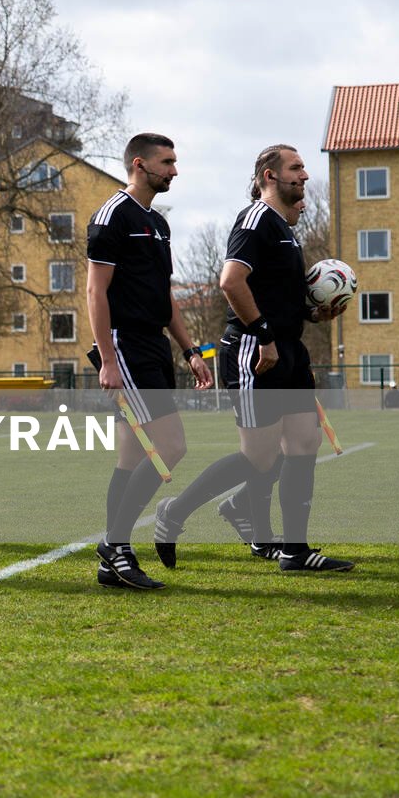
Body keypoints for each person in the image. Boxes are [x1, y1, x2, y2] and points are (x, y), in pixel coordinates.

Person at [151, 145, 352, 573]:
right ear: (269, 176)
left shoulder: (286, 229)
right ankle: (175, 511)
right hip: (254, 350)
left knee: (303, 444)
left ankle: (295, 551)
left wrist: (315, 312)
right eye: (296, 168)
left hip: (287, 349)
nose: (305, 176)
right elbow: (231, 282)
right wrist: (264, 336)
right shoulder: (255, 219)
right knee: (259, 458)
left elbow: (278, 298)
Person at [83, 133, 213, 590]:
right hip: (126, 347)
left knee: (131, 456)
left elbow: (166, 296)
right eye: (168, 162)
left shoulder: (159, 222)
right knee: (171, 445)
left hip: (155, 345)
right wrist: (107, 359)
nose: (175, 170)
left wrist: (190, 349)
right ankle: (115, 543)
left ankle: (110, 561)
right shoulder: (112, 216)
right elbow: (95, 291)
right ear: (140, 164)